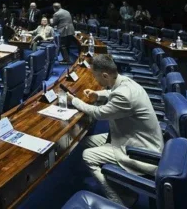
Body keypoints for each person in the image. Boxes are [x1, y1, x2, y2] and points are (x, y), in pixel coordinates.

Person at [68, 54, 164, 207]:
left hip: (140, 150)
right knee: (85, 142)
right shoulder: (124, 81)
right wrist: (97, 94)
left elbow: (99, 113)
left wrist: (74, 101)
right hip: (127, 136)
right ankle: (124, 189)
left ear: (105, 75)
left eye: (95, 76)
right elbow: (112, 92)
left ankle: (119, 200)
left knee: (88, 156)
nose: (95, 80)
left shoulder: (124, 96)